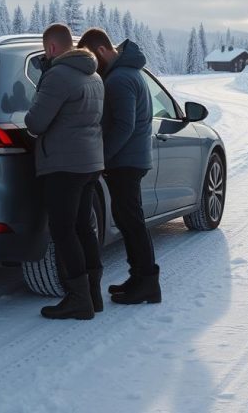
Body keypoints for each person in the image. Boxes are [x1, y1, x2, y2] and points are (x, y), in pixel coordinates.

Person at [25, 23, 105, 320]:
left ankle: (77, 298)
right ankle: (93, 294)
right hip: (89, 162)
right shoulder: (93, 74)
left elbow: (35, 122)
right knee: (84, 227)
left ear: (51, 48)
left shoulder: (57, 76)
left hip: (63, 164)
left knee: (63, 230)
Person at [77, 28, 161, 305]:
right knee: (128, 220)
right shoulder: (126, 73)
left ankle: (146, 282)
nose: (92, 67)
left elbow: (124, 125)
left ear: (101, 51)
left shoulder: (120, 79)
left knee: (131, 221)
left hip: (126, 161)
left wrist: (102, 157)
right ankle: (139, 278)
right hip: (130, 159)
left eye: (92, 58)